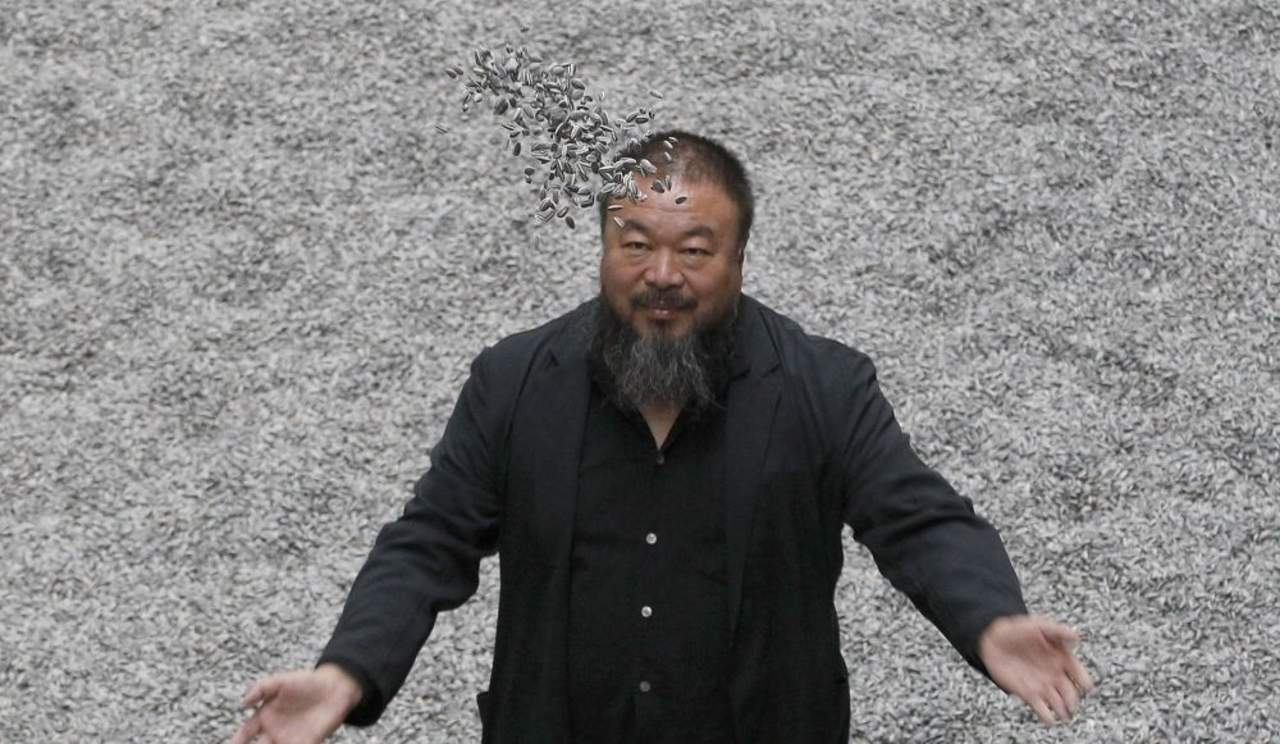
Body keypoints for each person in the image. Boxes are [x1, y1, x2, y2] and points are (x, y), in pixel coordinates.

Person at [231, 130, 1095, 744]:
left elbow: (918, 519)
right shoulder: (513, 382)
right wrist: (346, 674)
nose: (661, 275)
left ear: (739, 261)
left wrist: (989, 618)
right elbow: (428, 541)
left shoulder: (824, 387)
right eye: (635, 243)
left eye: (695, 250)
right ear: (604, 249)